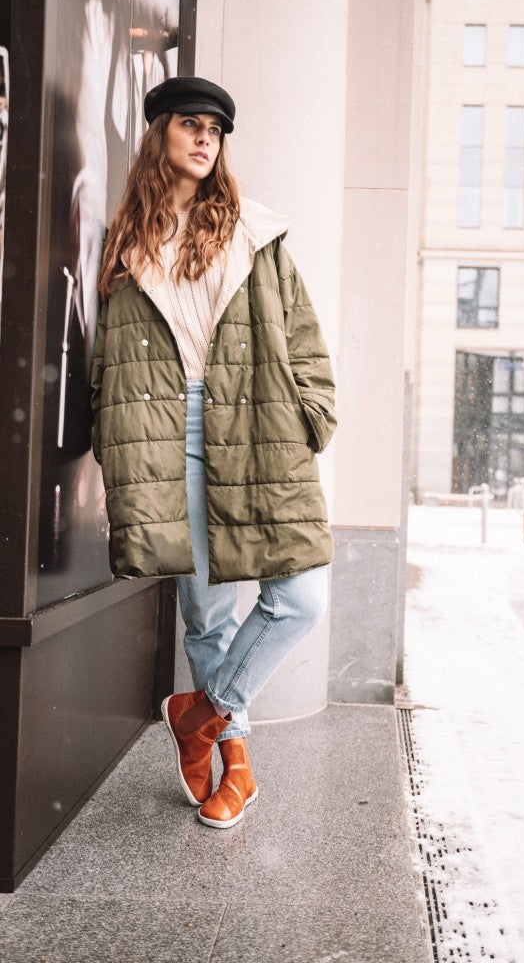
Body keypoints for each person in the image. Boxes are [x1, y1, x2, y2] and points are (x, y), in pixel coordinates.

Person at [91, 76, 336, 829]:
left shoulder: (253, 234)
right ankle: (235, 765)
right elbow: (107, 361)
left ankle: (200, 712)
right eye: (191, 125)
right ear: (160, 133)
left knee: (298, 599)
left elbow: (303, 339)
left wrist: (311, 418)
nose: (205, 139)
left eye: (216, 130)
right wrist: (117, 451)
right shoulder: (126, 245)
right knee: (206, 618)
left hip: (255, 429)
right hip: (170, 440)